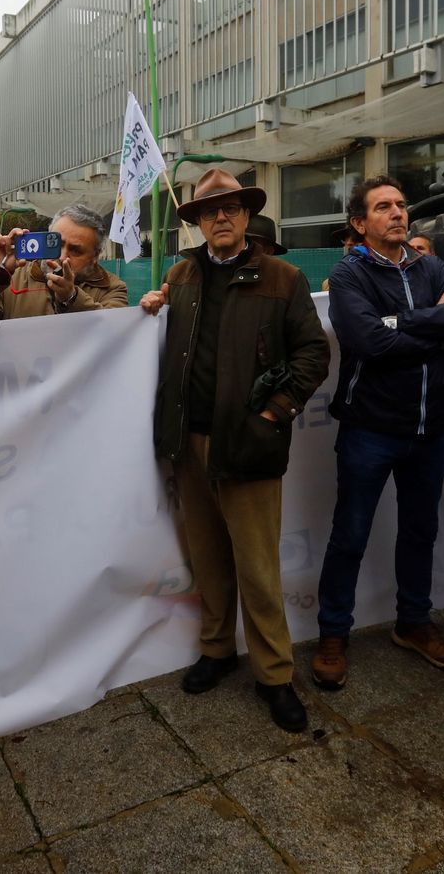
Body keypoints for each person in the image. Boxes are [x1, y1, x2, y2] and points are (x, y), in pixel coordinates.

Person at [139, 169, 330, 732]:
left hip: (248, 444)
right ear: (196, 222)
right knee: (208, 560)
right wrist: (149, 309)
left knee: (258, 567)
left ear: (247, 217)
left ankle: (274, 675)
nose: (220, 217)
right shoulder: (179, 277)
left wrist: (276, 410)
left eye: (230, 208)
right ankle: (217, 649)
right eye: (208, 210)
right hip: (188, 443)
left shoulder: (283, 277)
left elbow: (312, 353)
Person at [311, 176, 444, 689]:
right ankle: (333, 633)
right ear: (361, 223)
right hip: (371, 430)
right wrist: (433, 322)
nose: (398, 213)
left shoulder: (429, 265)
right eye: (384, 207)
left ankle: (414, 623)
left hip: (430, 432)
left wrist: (401, 322)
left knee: (421, 532)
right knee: (350, 536)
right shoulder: (349, 273)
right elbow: (367, 343)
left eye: (402, 205)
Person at [0, 203, 126, 322]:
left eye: (76, 250)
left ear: (95, 255)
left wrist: (71, 298)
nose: (63, 256)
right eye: (56, 244)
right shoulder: (13, 280)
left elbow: (114, 332)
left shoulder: (112, 288)